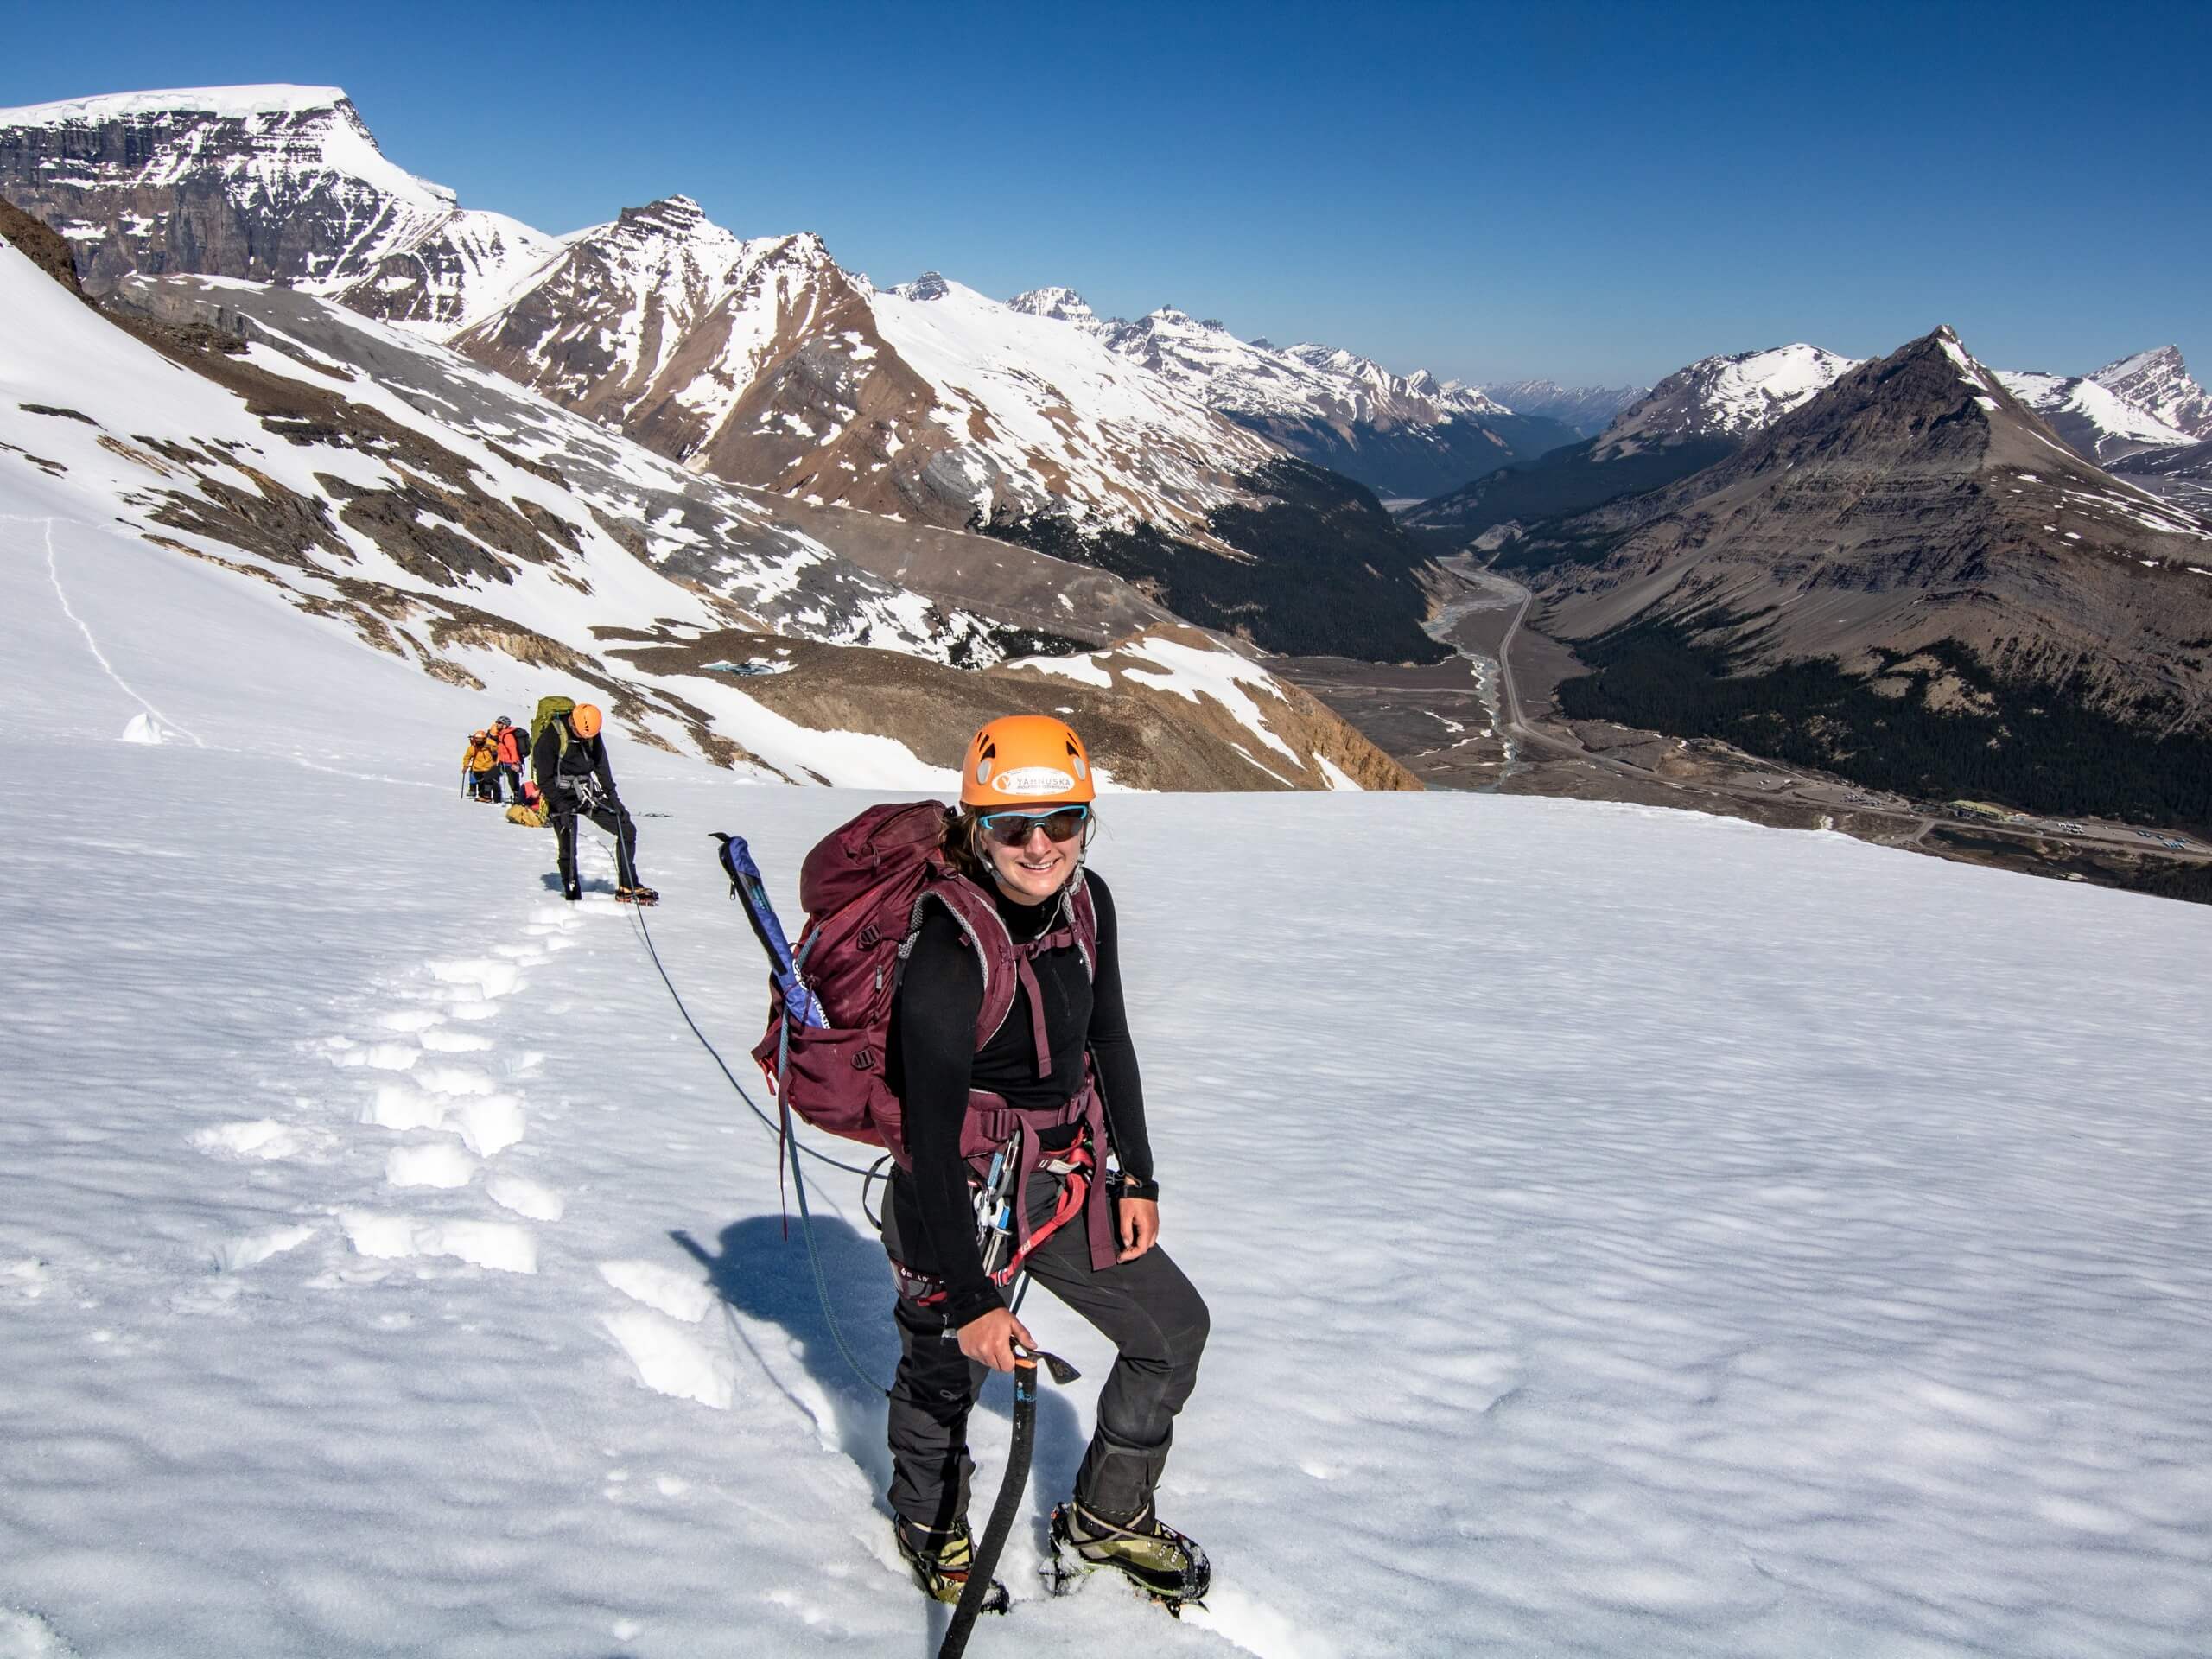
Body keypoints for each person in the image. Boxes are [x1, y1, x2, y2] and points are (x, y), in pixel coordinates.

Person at [880, 715, 1208, 1612]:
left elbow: (1107, 1037)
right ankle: (928, 1519)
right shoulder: (947, 952)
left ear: (1084, 823)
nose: (1038, 847)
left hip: (1060, 1179)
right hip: (961, 1194)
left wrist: (1135, 1174)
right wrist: (974, 1298)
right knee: (948, 1369)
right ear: (976, 829)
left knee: (1170, 1331)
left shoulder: (1088, 901)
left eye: (1059, 822)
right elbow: (928, 1143)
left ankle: (1106, 1516)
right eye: (1010, 827)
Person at [530, 702, 657, 905]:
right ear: (573, 722)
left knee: (626, 829)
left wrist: (616, 803)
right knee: (567, 844)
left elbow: (602, 768)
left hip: (586, 793)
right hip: (559, 796)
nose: (584, 739)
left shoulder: (591, 734)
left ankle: (627, 884)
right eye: (581, 735)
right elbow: (544, 778)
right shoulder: (552, 736)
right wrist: (560, 806)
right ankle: (571, 893)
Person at [490, 715, 527, 804]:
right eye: (497, 722)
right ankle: (497, 799)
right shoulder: (501, 735)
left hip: (511, 763)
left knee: (514, 784)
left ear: (505, 725)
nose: (497, 724)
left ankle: (518, 800)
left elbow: (513, 749)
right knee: (493, 777)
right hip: (502, 762)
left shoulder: (508, 736)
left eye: (499, 723)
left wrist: (515, 763)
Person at [462, 729, 499, 802]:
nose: (478, 740)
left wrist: (490, 747)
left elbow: (498, 749)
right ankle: (482, 796)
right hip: (477, 768)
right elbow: (467, 757)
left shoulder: (490, 746)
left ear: (484, 739)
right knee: (480, 783)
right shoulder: (472, 748)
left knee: (487, 783)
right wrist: (465, 766)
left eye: (480, 739)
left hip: (488, 768)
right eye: (477, 739)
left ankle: (487, 797)